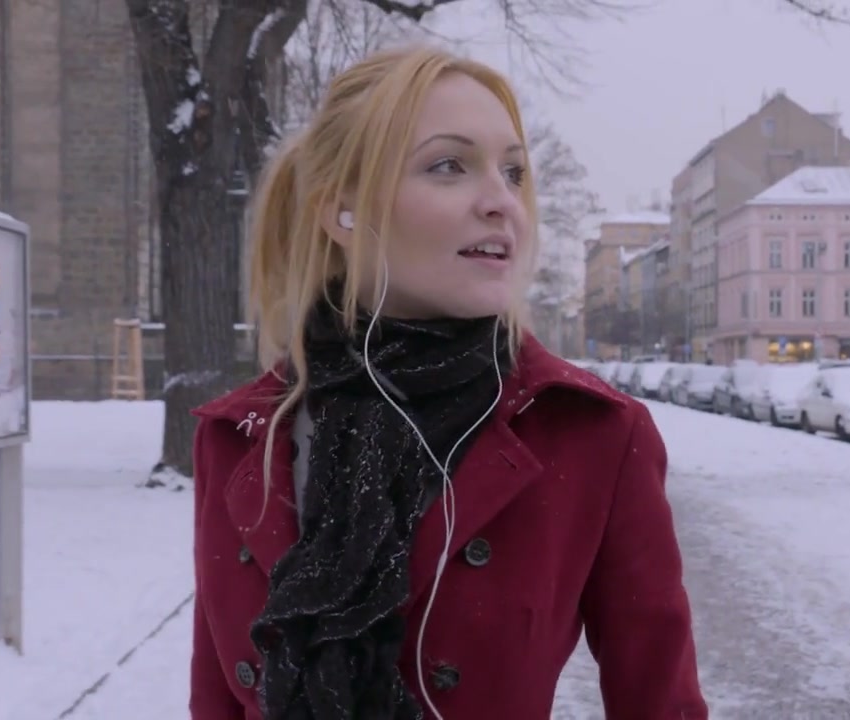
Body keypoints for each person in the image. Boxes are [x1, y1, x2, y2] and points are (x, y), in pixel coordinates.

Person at [189, 44, 707, 720]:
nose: (502, 202)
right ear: (342, 210)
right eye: (449, 166)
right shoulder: (239, 437)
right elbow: (215, 701)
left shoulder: (591, 434)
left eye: (513, 172)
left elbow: (659, 703)